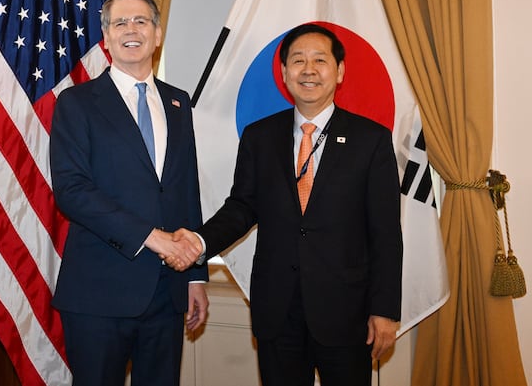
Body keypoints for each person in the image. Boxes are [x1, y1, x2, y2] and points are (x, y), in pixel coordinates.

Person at [169, 23, 403, 386]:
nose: (308, 70)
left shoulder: (370, 140)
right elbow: (241, 207)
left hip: (346, 312)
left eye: (320, 60)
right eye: (298, 60)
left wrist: (384, 310)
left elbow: (385, 233)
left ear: (340, 71)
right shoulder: (259, 137)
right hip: (277, 311)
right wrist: (198, 242)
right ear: (283, 72)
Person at [49, 0, 207, 386]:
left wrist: (195, 276)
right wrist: (153, 238)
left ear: (157, 34)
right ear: (106, 37)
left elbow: (186, 192)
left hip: (168, 293)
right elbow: (72, 191)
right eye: (120, 23)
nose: (131, 29)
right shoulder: (76, 103)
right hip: (99, 292)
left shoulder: (179, 103)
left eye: (141, 21)